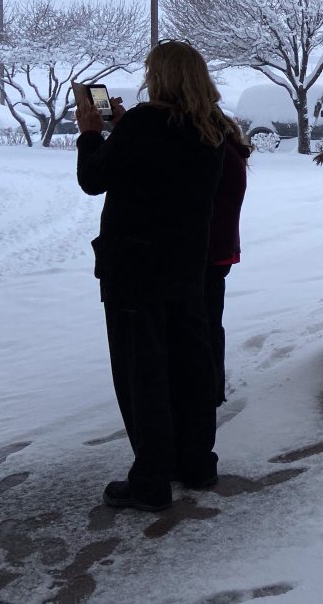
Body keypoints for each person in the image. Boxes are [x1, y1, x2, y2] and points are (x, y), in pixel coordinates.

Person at [76, 41, 228, 512]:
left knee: (143, 373)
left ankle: (151, 481)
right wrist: (124, 130)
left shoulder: (143, 124)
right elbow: (165, 168)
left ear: (158, 77)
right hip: (187, 267)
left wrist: (91, 133)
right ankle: (197, 463)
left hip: (134, 272)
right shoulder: (213, 129)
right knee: (188, 365)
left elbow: (94, 178)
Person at [205, 118, 251, 406]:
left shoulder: (217, 153)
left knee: (204, 324)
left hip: (207, 250)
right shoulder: (230, 148)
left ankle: (209, 391)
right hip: (220, 249)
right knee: (210, 322)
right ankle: (213, 389)